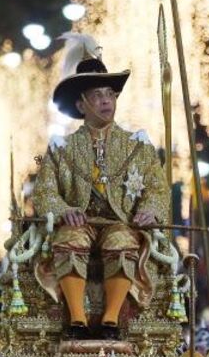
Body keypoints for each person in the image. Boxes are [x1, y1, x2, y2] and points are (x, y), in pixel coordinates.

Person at [32, 33, 170, 340]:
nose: (106, 100)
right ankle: (77, 320)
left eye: (110, 94)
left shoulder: (138, 145)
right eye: (97, 95)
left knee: (121, 240)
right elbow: (44, 193)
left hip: (121, 223)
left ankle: (110, 321)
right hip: (79, 223)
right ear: (81, 105)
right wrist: (64, 210)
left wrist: (150, 210)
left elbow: (158, 189)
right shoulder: (61, 148)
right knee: (70, 237)